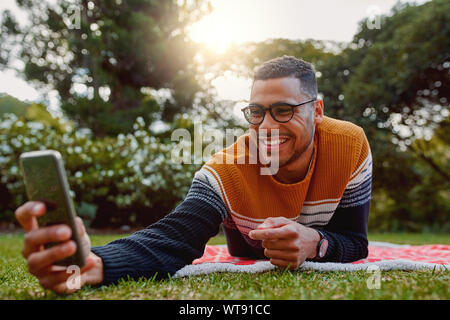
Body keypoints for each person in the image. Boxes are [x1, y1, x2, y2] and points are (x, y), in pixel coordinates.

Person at [15, 56, 372, 294]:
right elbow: (175, 238)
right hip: (246, 245)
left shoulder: (350, 145)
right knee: (240, 247)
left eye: (283, 110)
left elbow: (354, 242)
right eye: (256, 112)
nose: (266, 126)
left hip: (314, 233)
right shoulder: (226, 168)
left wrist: (315, 243)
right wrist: (93, 263)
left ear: (318, 110)